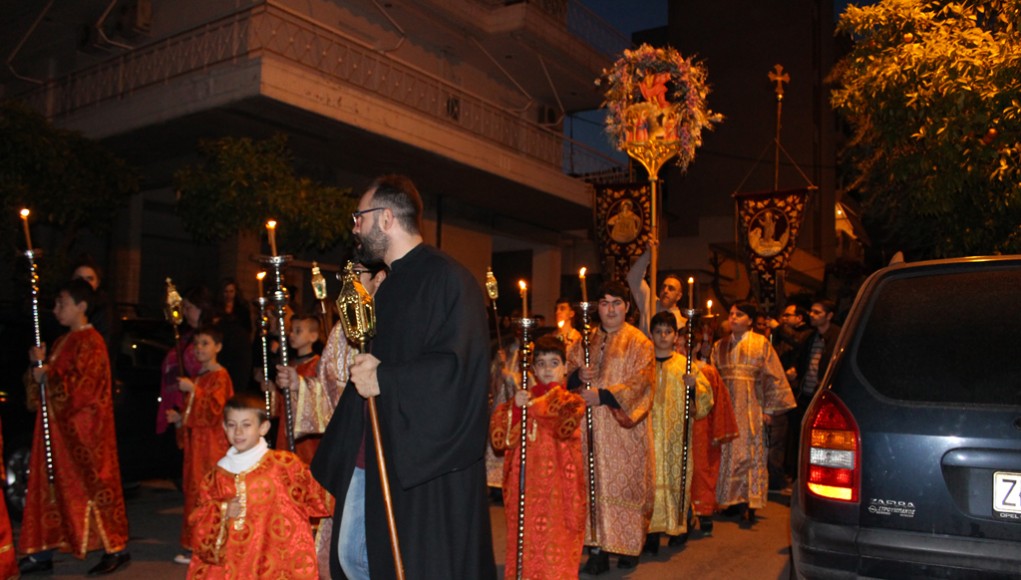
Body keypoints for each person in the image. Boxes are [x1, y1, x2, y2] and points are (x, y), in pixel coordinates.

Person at [309, 174, 496, 578]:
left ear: (387, 218)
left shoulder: (450, 279)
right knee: (351, 556)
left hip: (420, 461)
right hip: (372, 449)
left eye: (359, 218)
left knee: (401, 562)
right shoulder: (388, 286)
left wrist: (388, 379)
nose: (354, 228)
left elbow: (459, 369)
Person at [277, 263, 388, 580]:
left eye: (359, 276)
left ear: (379, 278)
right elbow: (327, 391)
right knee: (349, 549)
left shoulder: (397, 319)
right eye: (346, 278)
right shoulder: (342, 330)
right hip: (354, 448)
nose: (350, 284)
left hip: (391, 449)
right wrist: (301, 386)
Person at [19, 279, 131, 576]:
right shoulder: (60, 342)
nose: (56, 310)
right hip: (55, 434)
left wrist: (49, 379)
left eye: (62, 304)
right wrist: (37, 368)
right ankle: (43, 550)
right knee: (50, 490)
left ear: (81, 307)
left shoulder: (91, 342)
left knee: (93, 489)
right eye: (55, 304)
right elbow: (36, 398)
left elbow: (84, 391)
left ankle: (115, 548)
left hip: (85, 435)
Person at [187, 394, 331, 579]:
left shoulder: (284, 465)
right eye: (232, 425)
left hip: (276, 557)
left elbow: (320, 498)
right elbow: (198, 518)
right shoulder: (216, 475)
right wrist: (221, 510)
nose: (238, 432)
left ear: (263, 427)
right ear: (224, 427)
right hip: (234, 562)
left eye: (246, 425)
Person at [567, 280, 655, 573]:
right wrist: (578, 375)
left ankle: (627, 544)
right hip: (588, 427)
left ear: (627, 307)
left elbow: (643, 382)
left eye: (616, 303)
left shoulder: (640, 342)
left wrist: (604, 395)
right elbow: (565, 375)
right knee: (590, 486)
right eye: (604, 303)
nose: (610, 309)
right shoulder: (584, 340)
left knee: (623, 487)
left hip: (621, 430)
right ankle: (597, 548)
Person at [489, 335, 586, 579]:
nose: (547, 370)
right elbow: (500, 440)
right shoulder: (522, 400)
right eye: (541, 364)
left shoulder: (571, 401)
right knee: (527, 537)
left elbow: (563, 422)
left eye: (554, 363)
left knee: (557, 536)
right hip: (527, 486)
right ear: (532, 369)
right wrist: (514, 408)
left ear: (565, 368)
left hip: (559, 487)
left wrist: (529, 405)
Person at [711, 301, 796, 525]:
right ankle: (729, 500)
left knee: (749, 456)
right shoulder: (719, 346)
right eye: (730, 314)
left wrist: (768, 409)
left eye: (739, 314)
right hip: (726, 410)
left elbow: (773, 377)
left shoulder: (761, 344)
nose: (733, 318)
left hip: (751, 409)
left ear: (749, 320)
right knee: (727, 455)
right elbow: (712, 380)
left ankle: (748, 503)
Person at [645, 312, 713, 554]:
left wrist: (693, 388)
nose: (663, 336)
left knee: (678, 479)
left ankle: (679, 526)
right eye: (658, 331)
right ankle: (651, 533)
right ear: (651, 334)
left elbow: (705, 403)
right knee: (650, 482)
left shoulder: (686, 366)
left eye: (668, 331)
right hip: (650, 433)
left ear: (675, 336)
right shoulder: (644, 365)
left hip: (676, 435)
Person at [166, 326, 234, 564]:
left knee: (207, 492)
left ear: (218, 347)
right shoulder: (200, 377)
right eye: (196, 344)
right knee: (194, 491)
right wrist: (178, 419)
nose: (199, 348)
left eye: (205, 343)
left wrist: (194, 391)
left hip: (212, 446)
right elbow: (193, 412)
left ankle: (206, 545)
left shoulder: (220, 376)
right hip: (197, 446)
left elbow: (216, 411)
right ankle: (196, 543)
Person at [680, 327, 738, 535]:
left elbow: (719, 404)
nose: (681, 348)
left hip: (701, 431)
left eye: (686, 344)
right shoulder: (668, 367)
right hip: (674, 431)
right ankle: (681, 515)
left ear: (696, 346)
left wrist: (718, 431)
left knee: (701, 471)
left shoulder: (707, 371)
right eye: (678, 344)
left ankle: (704, 514)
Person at [275, 314, 321, 463]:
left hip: (306, 433)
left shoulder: (318, 364)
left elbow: (319, 398)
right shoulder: (291, 363)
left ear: (313, 336)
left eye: (298, 331)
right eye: (291, 330)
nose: (291, 335)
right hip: (285, 426)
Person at [626, 246, 686, 336]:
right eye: (663, 287)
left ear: (679, 296)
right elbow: (633, 277)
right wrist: (649, 254)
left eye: (671, 288)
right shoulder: (650, 302)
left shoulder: (681, 323)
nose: (665, 290)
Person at [214, 278, 253, 396]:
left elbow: (248, 328)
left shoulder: (241, 308)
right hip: (222, 346)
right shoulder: (217, 308)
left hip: (237, 346)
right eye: (226, 291)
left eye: (231, 291)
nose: (229, 295)